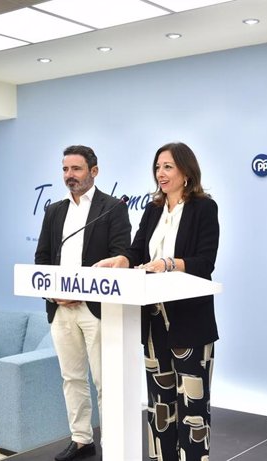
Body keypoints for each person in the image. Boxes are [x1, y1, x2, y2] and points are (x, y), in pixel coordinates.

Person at [95, 142, 219, 461]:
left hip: (190, 319)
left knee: (192, 406)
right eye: (157, 167)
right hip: (153, 319)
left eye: (167, 167)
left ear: (186, 172)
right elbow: (138, 252)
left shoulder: (204, 208)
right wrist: (121, 260)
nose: (160, 173)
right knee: (160, 405)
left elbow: (205, 262)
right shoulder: (153, 209)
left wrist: (169, 263)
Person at [35, 145, 131, 461]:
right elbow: (42, 259)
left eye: (76, 169)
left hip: (97, 308)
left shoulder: (112, 208)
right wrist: (54, 294)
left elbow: (122, 257)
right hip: (61, 307)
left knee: (105, 381)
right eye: (65, 170)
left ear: (94, 171)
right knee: (72, 378)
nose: (69, 176)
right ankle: (81, 440)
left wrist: (84, 290)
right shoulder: (54, 211)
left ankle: (115, 445)